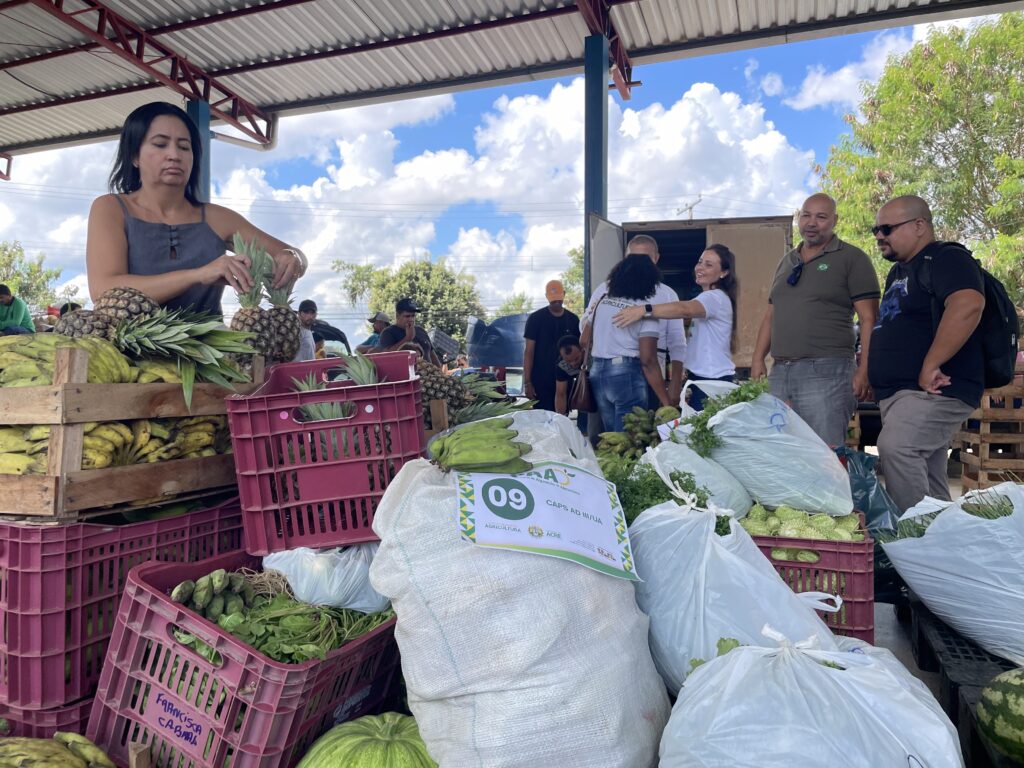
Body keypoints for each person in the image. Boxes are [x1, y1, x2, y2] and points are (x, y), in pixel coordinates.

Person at [85, 102, 305, 315]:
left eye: (184, 147)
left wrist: (293, 257)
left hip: (209, 349)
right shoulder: (111, 208)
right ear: (134, 155)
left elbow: (294, 257)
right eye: (160, 144)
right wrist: (199, 274)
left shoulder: (218, 218)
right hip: (127, 351)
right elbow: (104, 290)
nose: (174, 155)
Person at [869, 195, 984, 512]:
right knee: (930, 479)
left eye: (887, 228)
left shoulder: (947, 258)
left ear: (919, 226)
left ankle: (918, 541)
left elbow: (968, 304)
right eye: (876, 228)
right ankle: (944, 544)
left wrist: (931, 363)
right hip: (901, 394)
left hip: (934, 388)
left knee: (896, 448)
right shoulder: (899, 273)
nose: (879, 235)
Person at [750, 193, 880, 446]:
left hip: (826, 372)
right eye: (806, 215)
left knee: (824, 452)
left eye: (821, 217)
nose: (811, 223)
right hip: (781, 372)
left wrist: (864, 370)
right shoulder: (787, 261)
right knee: (781, 450)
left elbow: (868, 318)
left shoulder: (852, 258)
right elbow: (771, 313)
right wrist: (757, 359)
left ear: (835, 221)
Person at [614, 243, 738, 410]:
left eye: (708, 265)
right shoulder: (710, 297)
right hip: (704, 379)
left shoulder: (714, 297)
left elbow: (685, 310)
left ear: (724, 272)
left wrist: (645, 309)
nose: (700, 267)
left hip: (712, 383)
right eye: (700, 262)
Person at [583, 235, 686, 407]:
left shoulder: (666, 294)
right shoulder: (604, 289)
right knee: (630, 431)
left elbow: (677, 341)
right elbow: (586, 331)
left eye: (644, 259)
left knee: (625, 431)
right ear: (625, 259)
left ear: (656, 258)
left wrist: (675, 382)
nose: (639, 265)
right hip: (634, 370)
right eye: (633, 258)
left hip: (650, 371)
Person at [580, 254, 670, 433]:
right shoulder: (644, 312)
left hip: (598, 373)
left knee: (613, 439)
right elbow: (648, 361)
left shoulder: (602, 302)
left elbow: (583, 340)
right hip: (626, 377)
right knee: (630, 441)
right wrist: (666, 401)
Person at [523, 280, 580, 411]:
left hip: (565, 381)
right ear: (546, 297)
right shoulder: (535, 319)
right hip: (541, 382)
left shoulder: (572, 320)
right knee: (544, 421)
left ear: (564, 295)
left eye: (558, 300)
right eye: (553, 301)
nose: (556, 303)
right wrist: (527, 382)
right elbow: (529, 352)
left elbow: (580, 351)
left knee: (562, 420)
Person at [374, 298, 441, 365]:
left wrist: (440, 373)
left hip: (428, 374)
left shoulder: (420, 330)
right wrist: (408, 338)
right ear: (397, 316)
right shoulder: (388, 333)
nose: (411, 319)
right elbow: (386, 356)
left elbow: (432, 355)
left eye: (413, 316)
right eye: (407, 316)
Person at [553, 335, 589, 434]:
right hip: (582, 393)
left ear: (583, 350)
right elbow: (561, 393)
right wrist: (561, 418)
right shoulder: (561, 365)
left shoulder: (594, 356)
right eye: (568, 361)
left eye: (576, 359)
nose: (573, 364)